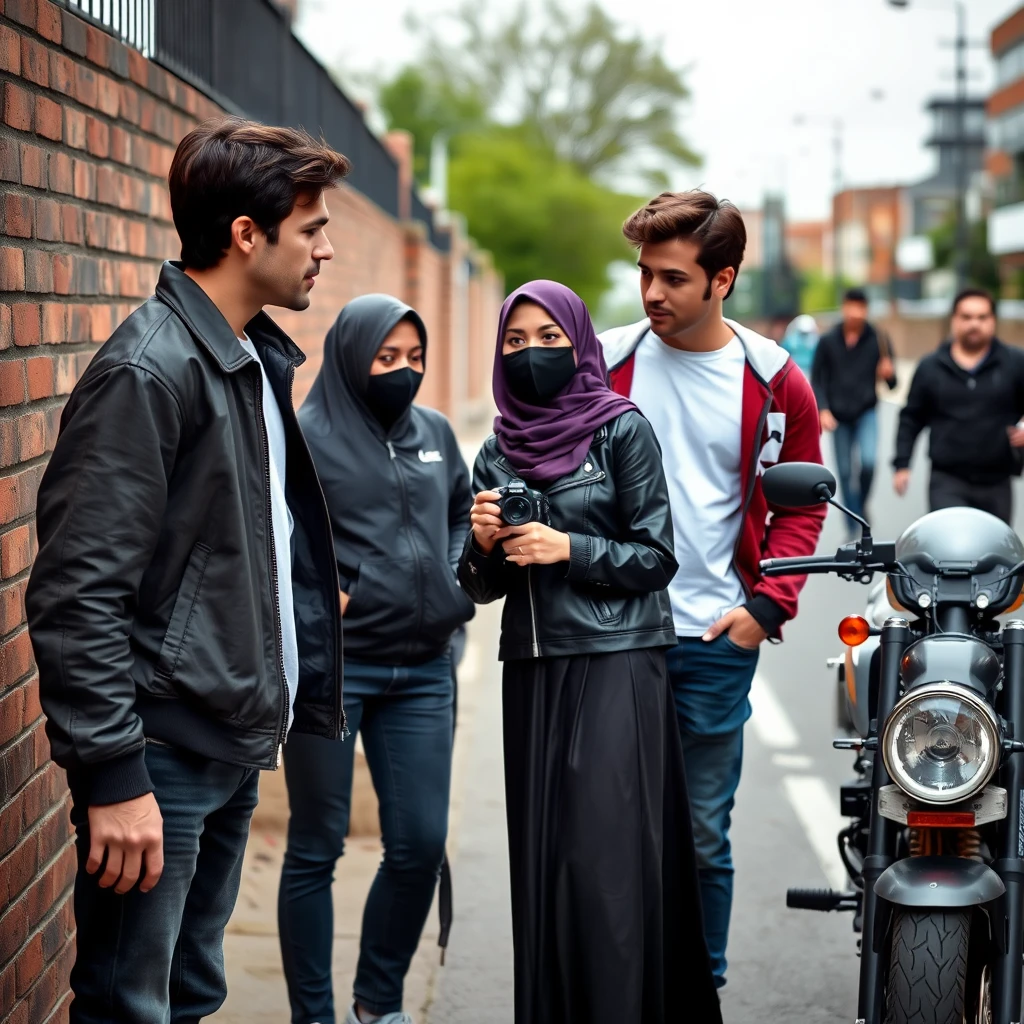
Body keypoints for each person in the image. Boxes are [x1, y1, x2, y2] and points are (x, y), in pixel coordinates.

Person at [24, 117, 348, 1023]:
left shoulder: (245, 359)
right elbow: (74, 593)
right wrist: (115, 775)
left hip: (225, 745)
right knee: (132, 1003)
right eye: (311, 226)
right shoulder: (151, 370)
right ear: (248, 233)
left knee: (190, 991)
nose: (326, 248)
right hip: (159, 763)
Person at [459, 280, 721, 1024]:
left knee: (605, 865)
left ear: (579, 344)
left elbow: (657, 557)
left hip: (615, 662)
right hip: (535, 672)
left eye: (549, 339)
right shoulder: (495, 450)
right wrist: (482, 548)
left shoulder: (620, 430)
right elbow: (477, 588)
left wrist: (566, 547)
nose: (531, 353)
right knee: (548, 867)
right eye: (515, 340)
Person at [598, 189, 826, 989]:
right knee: (614, 829)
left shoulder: (774, 381)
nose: (652, 293)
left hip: (715, 636)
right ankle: (625, 986)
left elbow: (801, 509)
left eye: (672, 278)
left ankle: (703, 985)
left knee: (700, 831)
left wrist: (765, 608)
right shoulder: (609, 361)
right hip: (616, 632)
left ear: (721, 280)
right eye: (643, 274)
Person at [279, 295, 475, 1024]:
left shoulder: (435, 432)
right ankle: (314, 1015)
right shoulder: (307, 440)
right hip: (336, 674)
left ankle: (378, 1001)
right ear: (350, 354)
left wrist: (455, 573)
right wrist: (329, 598)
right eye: (386, 357)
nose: (403, 371)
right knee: (317, 845)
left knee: (419, 843)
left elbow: (458, 508)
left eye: (414, 358)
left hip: (424, 669)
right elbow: (279, 538)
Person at [893, 288, 1024, 524]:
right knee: (951, 554)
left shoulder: (1014, 363)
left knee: (996, 556)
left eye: (982, 317)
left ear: (993, 321)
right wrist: (902, 464)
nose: (974, 324)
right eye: (967, 317)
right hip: (947, 480)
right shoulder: (931, 367)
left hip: (997, 481)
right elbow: (911, 417)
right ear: (954, 320)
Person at [811, 287, 897, 529]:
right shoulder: (828, 340)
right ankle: (853, 521)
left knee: (869, 462)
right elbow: (817, 379)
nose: (855, 312)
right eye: (851, 306)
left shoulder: (878, 339)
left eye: (861, 307)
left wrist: (888, 375)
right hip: (838, 415)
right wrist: (823, 409)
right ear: (843, 307)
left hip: (866, 411)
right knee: (846, 472)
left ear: (866, 309)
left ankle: (859, 506)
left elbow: (893, 384)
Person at [781, 312, 820, 379]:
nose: (804, 336)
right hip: (793, 372)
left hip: (810, 373)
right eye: (802, 333)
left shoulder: (815, 342)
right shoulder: (790, 341)